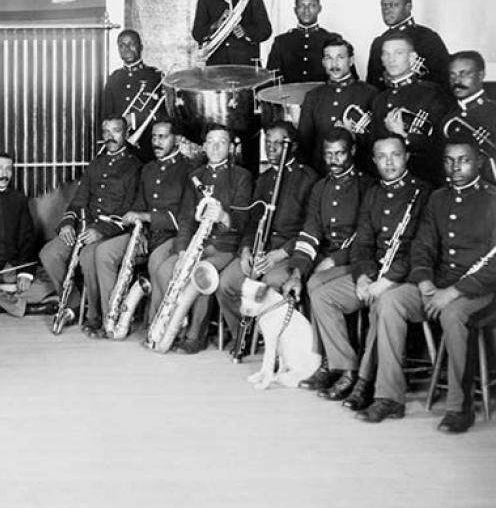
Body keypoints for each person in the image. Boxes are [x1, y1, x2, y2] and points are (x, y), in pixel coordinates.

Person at [359, 139, 496, 433]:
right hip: (436, 284)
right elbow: (422, 247)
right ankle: (389, 397)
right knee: (390, 301)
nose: (455, 167)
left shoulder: (492, 199)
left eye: (464, 160)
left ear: (480, 163)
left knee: (453, 315)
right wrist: (424, 282)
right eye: (449, 161)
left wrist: (454, 292)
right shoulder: (437, 198)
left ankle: (460, 408)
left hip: (479, 291)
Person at [308, 135, 430, 408]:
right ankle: (346, 367)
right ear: (373, 160)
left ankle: (365, 382)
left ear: (406, 156)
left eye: (395, 155)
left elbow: (420, 251)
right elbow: (362, 243)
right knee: (322, 295)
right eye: (382, 157)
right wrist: (363, 276)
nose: (389, 162)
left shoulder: (423, 193)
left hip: (403, 279)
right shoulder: (374, 192)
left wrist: (384, 282)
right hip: (374, 273)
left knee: (382, 305)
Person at [282, 127, 375, 390]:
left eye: (340, 154)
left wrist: (336, 259)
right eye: (328, 154)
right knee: (309, 282)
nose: (334, 161)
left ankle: (334, 364)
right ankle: (329, 362)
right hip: (328, 256)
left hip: (358, 259)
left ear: (353, 152)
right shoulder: (320, 188)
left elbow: (367, 237)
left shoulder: (366, 186)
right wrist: (297, 272)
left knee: (316, 285)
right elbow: (310, 231)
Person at [216, 121, 317, 347]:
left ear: (293, 146)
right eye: (268, 143)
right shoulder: (263, 179)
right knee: (227, 283)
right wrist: (245, 251)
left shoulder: (308, 178)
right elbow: (252, 222)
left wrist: (282, 253)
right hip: (261, 249)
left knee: (271, 284)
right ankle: (243, 335)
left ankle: (276, 342)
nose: (271, 148)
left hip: (290, 251)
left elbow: (312, 227)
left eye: (278, 144)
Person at [39, 116, 142, 335]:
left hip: (111, 231)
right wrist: (67, 223)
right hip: (83, 226)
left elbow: (128, 211)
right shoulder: (96, 164)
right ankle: (75, 302)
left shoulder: (134, 167)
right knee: (49, 254)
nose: (110, 137)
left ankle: (97, 316)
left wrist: (100, 232)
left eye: (116, 131)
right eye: (106, 132)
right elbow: (78, 200)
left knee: (89, 256)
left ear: (125, 133)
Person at [155, 124, 253, 353]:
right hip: (197, 243)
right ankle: (175, 323)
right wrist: (181, 252)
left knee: (200, 273)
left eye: (222, 142)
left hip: (225, 246)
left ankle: (195, 336)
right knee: (164, 270)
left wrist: (224, 216)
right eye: (211, 141)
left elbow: (244, 219)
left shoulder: (242, 176)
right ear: (204, 146)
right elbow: (187, 217)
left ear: (230, 147)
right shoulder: (195, 176)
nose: (216, 146)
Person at [92, 118, 194, 330]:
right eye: (154, 137)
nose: (156, 142)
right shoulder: (148, 169)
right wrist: (141, 229)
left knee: (156, 262)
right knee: (104, 252)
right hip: (146, 235)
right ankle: (110, 319)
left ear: (176, 139)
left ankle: (155, 326)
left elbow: (184, 216)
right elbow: (139, 204)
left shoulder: (188, 170)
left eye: (163, 137)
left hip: (172, 237)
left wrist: (147, 218)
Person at [0, 152, 56, 318]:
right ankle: (27, 308)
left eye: (8, 169)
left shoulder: (19, 199)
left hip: (14, 267)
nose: (4, 174)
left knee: (50, 284)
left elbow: (28, 238)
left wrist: (25, 273)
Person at [371, 34, 452, 187]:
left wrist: (404, 136)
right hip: (387, 188)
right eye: (386, 54)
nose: (391, 59)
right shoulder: (379, 100)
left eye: (398, 53)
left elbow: (440, 145)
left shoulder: (432, 93)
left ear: (413, 58)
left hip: (424, 182)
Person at [296, 36, 377, 175]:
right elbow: (304, 143)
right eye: (328, 58)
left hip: (359, 176)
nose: (334, 63)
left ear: (351, 61)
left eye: (340, 57)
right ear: (323, 62)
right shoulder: (313, 96)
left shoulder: (370, 93)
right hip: (321, 175)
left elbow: (375, 141)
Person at [365, 0, 448, 90]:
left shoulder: (427, 38)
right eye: (384, 5)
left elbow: (441, 81)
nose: (387, 10)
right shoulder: (379, 42)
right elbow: (372, 86)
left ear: (408, 7)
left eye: (393, 5)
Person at [99, 30, 164, 162]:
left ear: (140, 47)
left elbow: (163, 114)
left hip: (147, 145)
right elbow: (106, 115)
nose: (126, 49)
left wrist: (134, 119)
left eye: (131, 44)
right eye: (122, 45)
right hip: (121, 148)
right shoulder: (114, 79)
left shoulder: (154, 76)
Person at [443, 51, 496, 184]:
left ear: (481, 75)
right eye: (452, 75)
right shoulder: (447, 120)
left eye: (464, 73)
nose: (457, 81)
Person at [267, 0, 337, 83]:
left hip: (323, 95)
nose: (306, 11)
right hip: (289, 95)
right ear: (295, 10)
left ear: (319, 9)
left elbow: (347, 78)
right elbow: (271, 77)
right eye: (301, 6)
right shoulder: (282, 41)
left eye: (312, 6)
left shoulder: (333, 40)